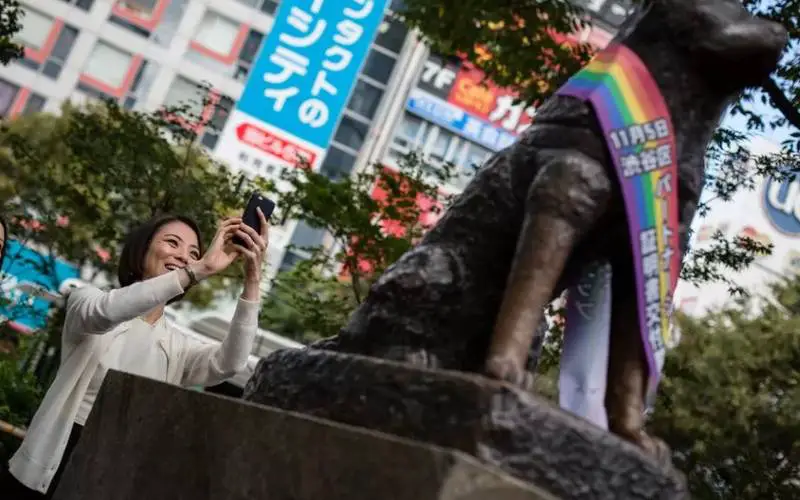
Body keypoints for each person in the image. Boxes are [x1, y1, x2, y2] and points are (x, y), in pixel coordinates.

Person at [1, 210, 269, 499]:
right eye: (172, 242)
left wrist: (253, 278)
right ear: (143, 250)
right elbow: (107, 312)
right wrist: (198, 269)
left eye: (193, 252)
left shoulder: (178, 347)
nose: (183, 256)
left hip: (110, 480)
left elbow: (232, 362)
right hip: (43, 474)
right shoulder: (88, 301)